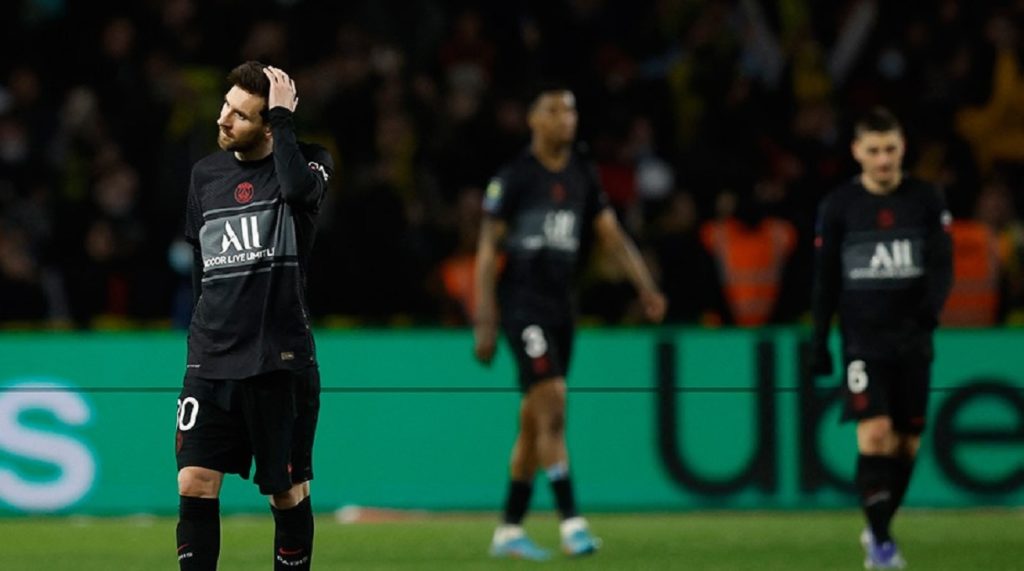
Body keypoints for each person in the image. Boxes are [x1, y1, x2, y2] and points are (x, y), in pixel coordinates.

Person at [473, 84, 667, 560]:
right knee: (554, 401)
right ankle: (572, 522)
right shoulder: (516, 177)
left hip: (562, 310)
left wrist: (645, 287)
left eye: (571, 111)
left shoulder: (582, 174)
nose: (567, 118)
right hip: (522, 307)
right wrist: (485, 320)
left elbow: (612, 236)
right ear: (534, 120)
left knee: (534, 418)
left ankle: (509, 530)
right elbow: (487, 252)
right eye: (555, 110)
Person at [174, 61, 332, 571]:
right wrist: (200, 337)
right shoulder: (205, 176)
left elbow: (298, 192)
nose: (223, 119)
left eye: (241, 115)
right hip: (211, 360)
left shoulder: (309, 162)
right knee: (194, 482)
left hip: (277, 360)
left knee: (285, 491)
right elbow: (201, 267)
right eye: (226, 105)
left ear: (269, 127)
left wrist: (284, 122)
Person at [810, 107, 952, 570]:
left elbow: (942, 266)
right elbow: (825, 280)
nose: (884, 159)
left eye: (890, 149)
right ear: (857, 152)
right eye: (874, 150)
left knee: (906, 444)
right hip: (862, 343)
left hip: (912, 342)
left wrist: (929, 313)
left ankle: (877, 527)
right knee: (874, 435)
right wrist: (819, 340)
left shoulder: (926, 199)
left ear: (902, 147)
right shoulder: (839, 207)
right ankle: (884, 545)